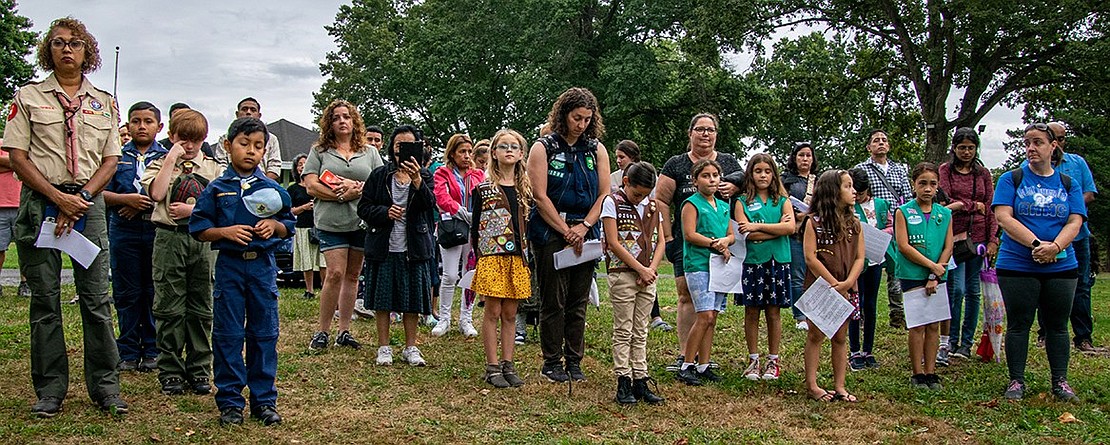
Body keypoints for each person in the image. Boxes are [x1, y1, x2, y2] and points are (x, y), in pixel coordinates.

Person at [2, 17, 129, 417]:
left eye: (74, 43)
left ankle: (106, 387)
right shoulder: (27, 97)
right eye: (58, 43)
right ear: (49, 51)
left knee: (96, 299)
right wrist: (57, 197)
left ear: (87, 51)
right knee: (45, 299)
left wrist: (83, 198)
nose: (66, 49)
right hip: (41, 202)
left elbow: (111, 159)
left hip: (88, 207)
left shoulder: (104, 102)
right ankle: (50, 390)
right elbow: (17, 156)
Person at [191, 117, 295, 426]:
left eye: (258, 146)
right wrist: (224, 232)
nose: (251, 151)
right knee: (228, 334)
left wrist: (274, 226)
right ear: (228, 145)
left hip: (262, 268)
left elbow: (288, 224)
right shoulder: (217, 189)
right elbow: (199, 228)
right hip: (231, 268)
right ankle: (230, 402)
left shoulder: (273, 189)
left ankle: (264, 401)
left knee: (264, 333)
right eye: (244, 144)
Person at [992, 123, 1086, 402]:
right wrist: (1036, 245)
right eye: (1027, 143)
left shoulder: (1069, 183)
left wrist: (1055, 247)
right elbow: (1004, 217)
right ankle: (1016, 381)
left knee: (1058, 324)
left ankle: (1061, 380)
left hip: (1061, 266)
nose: (1031, 148)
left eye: (1038, 143)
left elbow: (1075, 220)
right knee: (1019, 323)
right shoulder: (1012, 179)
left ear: (1052, 146)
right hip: (1017, 264)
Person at [528, 87, 611, 383]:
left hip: (586, 229)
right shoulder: (543, 147)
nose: (582, 124)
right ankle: (551, 362)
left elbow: (604, 193)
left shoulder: (596, 148)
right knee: (554, 299)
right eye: (577, 118)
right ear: (564, 115)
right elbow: (539, 195)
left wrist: (585, 226)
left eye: (588, 119)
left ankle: (575, 361)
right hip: (551, 230)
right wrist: (565, 230)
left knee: (578, 301)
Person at [141, 109, 222, 396]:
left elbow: (221, 206)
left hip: (201, 240)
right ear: (172, 136)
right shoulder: (159, 163)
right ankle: (171, 371)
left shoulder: (213, 168)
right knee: (169, 307)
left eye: (195, 140)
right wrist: (171, 159)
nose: (189, 146)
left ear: (204, 139)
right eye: (183, 139)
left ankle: (199, 369)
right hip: (169, 238)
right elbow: (156, 194)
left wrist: (194, 210)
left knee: (201, 307)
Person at [657, 113, 744, 372]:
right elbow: (661, 200)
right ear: (690, 133)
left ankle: (703, 359)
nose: (705, 134)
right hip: (687, 241)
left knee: (711, 305)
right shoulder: (676, 164)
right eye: (699, 129)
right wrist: (668, 237)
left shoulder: (728, 162)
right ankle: (686, 354)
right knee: (686, 296)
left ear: (716, 134)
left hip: (720, 244)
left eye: (710, 130)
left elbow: (744, 184)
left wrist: (735, 187)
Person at [302, 99, 384, 351]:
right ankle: (322, 330)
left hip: (360, 221)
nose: (342, 121)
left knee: (352, 275)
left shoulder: (369, 152)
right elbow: (311, 184)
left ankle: (344, 330)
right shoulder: (320, 151)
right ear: (329, 123)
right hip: (331, 221)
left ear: (354, 120)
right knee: (335, 273)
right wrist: (340, 195)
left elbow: (379, 184)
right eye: (336, 117)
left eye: (346, 116)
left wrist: (356, 189)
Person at [357, 125, 435, 367]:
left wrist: (417, 180)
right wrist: (384, 212)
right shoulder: (379, 175)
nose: (402, 149)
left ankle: (411, 347)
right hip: (384, 244)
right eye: (399, 145)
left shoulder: (426, 175)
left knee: (412, 299)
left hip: (414, 245)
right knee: (383, 298)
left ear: (418, 147)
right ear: (392, 148)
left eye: (409, 144)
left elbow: (429, 205)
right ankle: (384, 347)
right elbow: (363, 208)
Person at [1024, 122, 1100, 353]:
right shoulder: (1028, 165)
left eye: (1063, 138)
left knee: (1082, 285)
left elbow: (1089, 193)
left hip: (1076, 236)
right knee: (1044, 285)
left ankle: (1083, 337)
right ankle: (1045, 333)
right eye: (1031, 143)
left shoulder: (1077, 163)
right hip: (1043, 238)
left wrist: (1066, 206)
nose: (1060, 143)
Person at [103, 101, 165, 373]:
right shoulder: (115, 156)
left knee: (153, 290)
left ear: (159, 127)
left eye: (148, 121)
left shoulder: (165, 157)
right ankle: (127, 349)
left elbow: (170, 193)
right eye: (136, 121)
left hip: (154, 228)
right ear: (128, 125)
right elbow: (99, 192)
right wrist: (124, 200)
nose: (142, 126)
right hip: (124, 228)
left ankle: (152, 348)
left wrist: (145, 203)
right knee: (127, 291)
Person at [470, 129, 532, 389]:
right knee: (492, 310)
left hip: (518, 256)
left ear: (520, 154)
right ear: (493, 153)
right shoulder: (483, 190)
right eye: (503, 146)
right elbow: (475, 227)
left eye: (514, 147)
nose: (509, 150)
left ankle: (508, 363)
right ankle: (492, 365)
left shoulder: (524, 190)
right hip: (492, 256)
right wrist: (480, 256)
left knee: (510, 312)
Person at [604, 161, 666, 403]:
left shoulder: (652, 205)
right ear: (626, 182)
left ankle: (641, 378)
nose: (641, 199)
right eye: (637, 193)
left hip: (647, 276)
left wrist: (650, 269)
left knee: (641, 330)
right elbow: (613, 242)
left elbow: (660, 241)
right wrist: (639, 268)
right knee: (624, 329)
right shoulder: (612, 202)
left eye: (646, 194)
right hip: (623, 274)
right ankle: (623, 380)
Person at [802, 170, 865, 402]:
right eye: (847, 186)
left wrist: (848, 283)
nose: (854, 191)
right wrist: (833, 283)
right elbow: (811, 258)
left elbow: (860, 257)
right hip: (820, 288)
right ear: (832, 192)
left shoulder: (855, 223)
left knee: (840, 337)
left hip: (848, 288)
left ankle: (840, 385)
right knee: (815, 335)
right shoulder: (813, 222)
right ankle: (812, 384)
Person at [938, 128, 998, 363]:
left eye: (970, 148)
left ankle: (966, 342)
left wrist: (993, 239)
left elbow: (991, 206)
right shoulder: (946, 171)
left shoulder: (982, 174)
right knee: (957, 289)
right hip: (956, 237)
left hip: (980, 238)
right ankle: (950, 339)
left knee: (974, 292)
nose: (966, 152)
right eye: (962, 147)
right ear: (954, 147)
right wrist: (973, 205)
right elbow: (944, 200)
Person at [893, 162, 953, 390]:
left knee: (933, 325)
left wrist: (937, 272)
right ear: (914, 185)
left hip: (939, 274)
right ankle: (917, 373)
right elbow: (903, 245)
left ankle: (931, 371)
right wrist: (930, 267)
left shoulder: (944, 213)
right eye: (922, 184)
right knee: (917, 324)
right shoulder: (904, 211)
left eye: (932, 184)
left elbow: (948, 246)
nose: (928, 189)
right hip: (912, 273)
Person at [735, 154, 794, 382]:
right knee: (751, 311)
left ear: (773, 174)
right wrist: (774, 230)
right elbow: (745, 234)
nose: (762, 175)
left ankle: (773, 359)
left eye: (767, 171)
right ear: (751, 173)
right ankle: (753, 359)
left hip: (778, 261)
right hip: (753, 263)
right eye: (758, 170)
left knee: (773, 311)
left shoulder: (782, 200)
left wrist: (757, 226)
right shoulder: (742, 201)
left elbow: (789, 228)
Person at [674, 159, 734, 386]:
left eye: (715, 175)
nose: (711, 180)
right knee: (704, 315)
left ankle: (704, 364)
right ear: (695, 180)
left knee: (713, 317)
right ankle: (687, 363)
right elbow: (689, 234)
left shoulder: (724, 205)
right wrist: (714, 243)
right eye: (706, 176)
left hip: (719, 266)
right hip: (699, 265)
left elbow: (731, 234)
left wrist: (725, 242)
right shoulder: (691, 204)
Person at [854, 129, 913, 330]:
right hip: (867, 225)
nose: (881, 143)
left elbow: (907, 197)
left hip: (895, 225)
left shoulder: (899, 170)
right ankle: (860, 314)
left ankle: (897, 313)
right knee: (865, 269)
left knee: (896, 270)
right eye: (876, 140)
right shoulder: (861, 169)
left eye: (884, 140)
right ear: (869, 147)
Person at [432, 133, 485, 337]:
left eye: (469, 152)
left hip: (474, 230)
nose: (466, 156)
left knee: (470, 273)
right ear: (452, 153)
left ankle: (466, 317)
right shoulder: (442, 173)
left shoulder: (478, 175)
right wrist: (461, 211)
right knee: (450, 274)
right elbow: (441, 197)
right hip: (452, 227)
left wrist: (476, 217)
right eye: (462, 151)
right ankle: (444, 318)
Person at [847, 168, 892, 371]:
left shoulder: (880, 205)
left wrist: (880, 233)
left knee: (870, 305)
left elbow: (892, 225)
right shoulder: (846, 206)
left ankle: (868, 349)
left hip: (875, 260)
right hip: (854, 262)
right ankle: (854, 350)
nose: (858, 196)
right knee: (856, 304)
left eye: (862, 193)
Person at [781, 142, 817, 331]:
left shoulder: (817, 180)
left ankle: (814, 312)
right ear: (794, 158)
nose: (805, 159)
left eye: (808, 156)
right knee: (797, 275)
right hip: (794, 233)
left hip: (814, 232)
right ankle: (800, 315)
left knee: (814, 274)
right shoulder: (786, 180)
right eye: (801, 155)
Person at [212, 97, 282, 181]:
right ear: (237, 114)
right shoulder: (225, 138)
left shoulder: (271, 139)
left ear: (259, 115)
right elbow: (220, 165)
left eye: (253, 110)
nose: (248, 112)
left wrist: (261, 184)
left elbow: (275, 166)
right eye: (244, 109)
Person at [287, 153, 325, 299]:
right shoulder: (293, 189)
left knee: (323, 261)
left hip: (320, 226)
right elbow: (288, 211)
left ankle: (325, 288)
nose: (303, 166)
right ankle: (309, 291)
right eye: (299, 164)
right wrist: (303, 207)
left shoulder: (318, 186)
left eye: (305, 163)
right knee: (306, 262)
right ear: (296, 169)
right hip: (302, 227)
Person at [0, 140, 28, 298]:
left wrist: (17, 163)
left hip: (21, 203)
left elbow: (25, 165)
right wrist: (15, 163)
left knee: (25, 247)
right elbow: (18, 164)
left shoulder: (21, 145)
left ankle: (25, 283)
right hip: (0, 204)